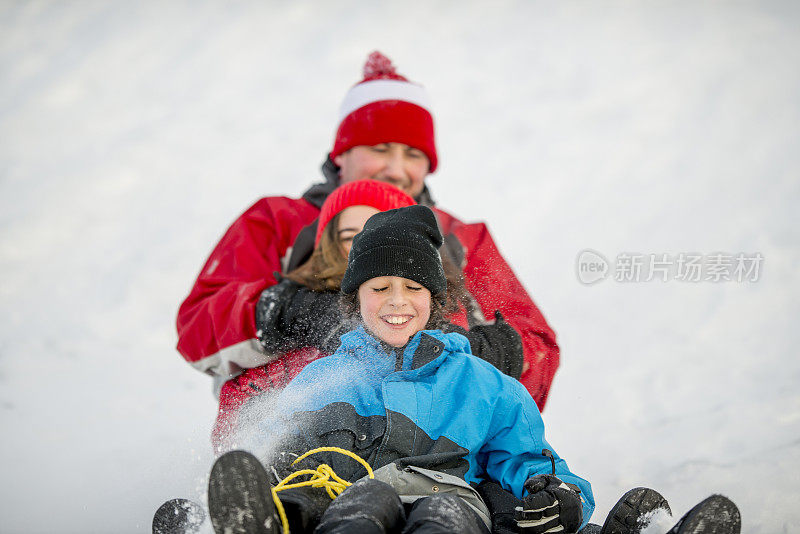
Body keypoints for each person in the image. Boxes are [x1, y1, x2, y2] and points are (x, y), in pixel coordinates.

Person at [176, 51, 560, 430]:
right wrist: (295, 312)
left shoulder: (460, 239)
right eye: (379, 149)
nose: (395, 169)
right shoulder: (278, 222)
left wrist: (478, 353)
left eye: (412, 154)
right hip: (288, 427)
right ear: (341, 154)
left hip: (436, 435)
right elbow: (198, 326)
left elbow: (537, 346)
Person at [206, 205, 594, 534]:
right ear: (355, 298)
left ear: (434, 299)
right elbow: (282, 446)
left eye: (413, 287)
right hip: (340, 499)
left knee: (441, 517)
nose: (396, 302)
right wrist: (266, 477)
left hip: (445, 499)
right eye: (379, 288)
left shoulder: (483, 384)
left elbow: (528, 458)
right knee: (347, 501)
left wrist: (563, 495)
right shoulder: (323, 378)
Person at [212, 179, 525, 454]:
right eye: (351, 236)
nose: (366, 245)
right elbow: (242, 405)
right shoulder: (298, 325)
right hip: (318, 471)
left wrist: (490, 350)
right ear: (329, 246)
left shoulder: (437, 329)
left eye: (380, 232)